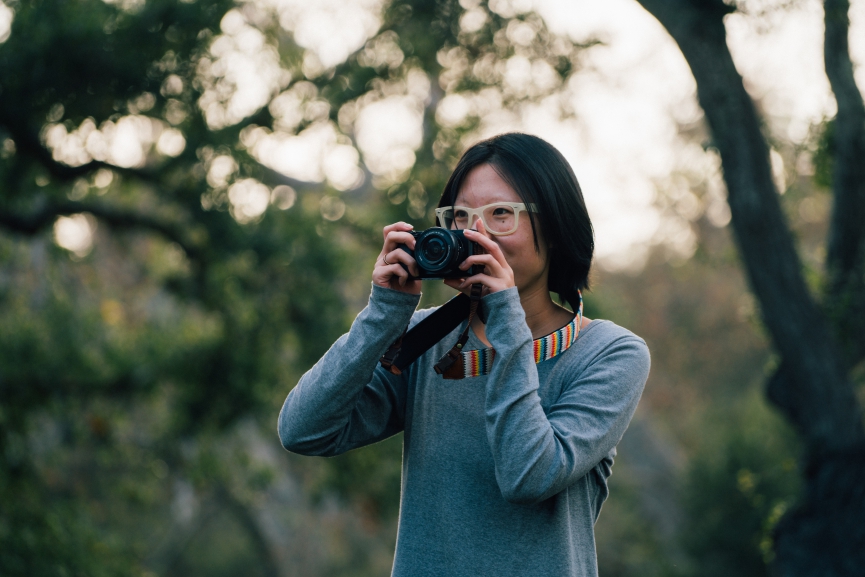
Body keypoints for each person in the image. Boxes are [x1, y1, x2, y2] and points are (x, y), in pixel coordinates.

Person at [278, 132, 650, 577]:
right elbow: (304, 430)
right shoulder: (425, 337)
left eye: (501, 214)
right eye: (460, 216)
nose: (476, 233)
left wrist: (504, 318)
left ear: (553, 227)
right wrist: (384, 312)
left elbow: (527, 474)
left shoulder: (609, 354)